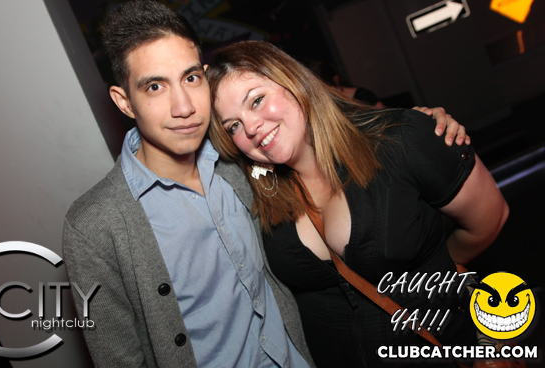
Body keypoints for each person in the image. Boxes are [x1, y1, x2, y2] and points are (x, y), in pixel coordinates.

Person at [63, 0, 468, 367]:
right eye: (155, 86)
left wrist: (415, 126)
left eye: (190, 78)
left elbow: (313, 136)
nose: (183, 106)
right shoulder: (95, 226)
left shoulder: (240, 162)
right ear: (124, 101)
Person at [206, 40, 509, 367]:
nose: (250, 127)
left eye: (257, 100)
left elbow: (490, 219)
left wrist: (442, 266)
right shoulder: (259, 188)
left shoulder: (400, 139)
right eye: (233, 125)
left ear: (293, 80)